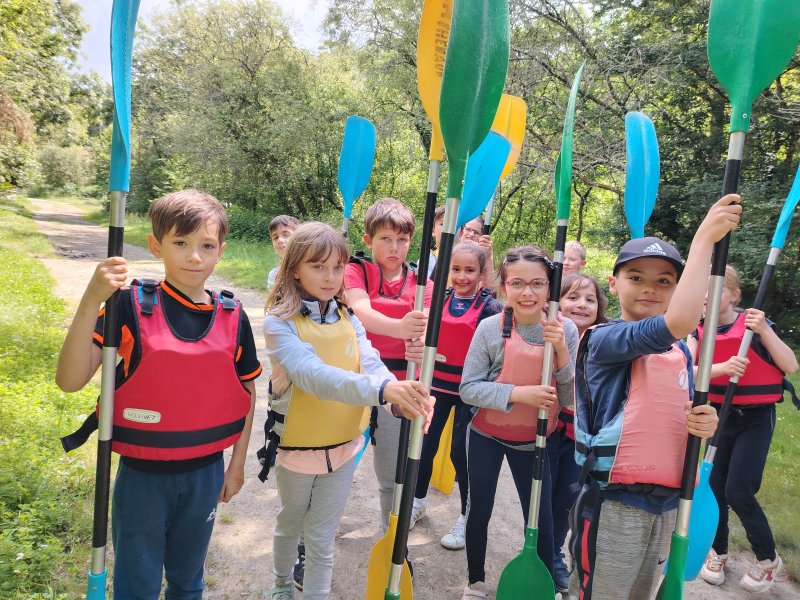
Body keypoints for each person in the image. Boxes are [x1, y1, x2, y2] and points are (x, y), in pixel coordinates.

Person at [56, 189, 261, 599]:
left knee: (188, 581)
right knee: (138, 583)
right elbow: (70, 379)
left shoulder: (234, 316)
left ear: (221, 251)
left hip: (205, 472)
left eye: (206, 246)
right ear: (156, 246)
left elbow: (247, 392)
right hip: (142, 477)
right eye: (180, 243)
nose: (194, 257)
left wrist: (237, 464)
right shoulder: (127, 306)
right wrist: (92, 298)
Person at [569, 194, 742, 600]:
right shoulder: (604, 339)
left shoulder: (681, 351)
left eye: (665, 281)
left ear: (678, 287)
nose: (650, 288)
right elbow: (679, 320)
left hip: (667, 504)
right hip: (614, 504)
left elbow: (674, 413)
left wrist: (703, 422)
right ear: (614, 283)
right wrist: (704, 241)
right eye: (636, 277)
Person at [261, 222, 432, 600]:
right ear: (295, 269)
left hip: (342, 449)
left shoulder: (347, 316)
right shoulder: (278, 323)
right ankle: (281, 582)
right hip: (297, 451)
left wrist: (400, 396)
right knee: (291, 526)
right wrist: (385, 390)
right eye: (318, 267)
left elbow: (369, 362)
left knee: (321, 539)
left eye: (337, 267)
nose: (330, 277)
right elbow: (314, 376)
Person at [459, 246, 579, 600]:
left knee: (539, 519)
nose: (528, 293)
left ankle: (543, 584)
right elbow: (468, 389)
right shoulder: (489, 328)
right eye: (517, 283)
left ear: (550, 288)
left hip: (535, 441)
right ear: (504, 287)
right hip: (485, 434)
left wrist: (561, 352)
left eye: (538, 284)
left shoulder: (566, 329)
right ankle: (475, 581)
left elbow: (570, 398)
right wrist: (520, 394)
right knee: (479, 509)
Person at [694, 265, 798, 593]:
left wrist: (764, 330)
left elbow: (791, 365)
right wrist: (722, 367)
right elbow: (690, 371)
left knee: (738, 490)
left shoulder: (755, 324)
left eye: (717, 288)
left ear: (735, 295)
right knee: (713, 486)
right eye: (703, 289)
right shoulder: (697, 329)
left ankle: (768, 559)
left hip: (755, 418)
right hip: (719, 416)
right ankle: (719, 551)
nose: (707, 295)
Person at [409, 241, 503, 549]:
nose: (462, 276)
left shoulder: (490, 306)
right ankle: (417, 502)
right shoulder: (440, 297)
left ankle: (466, 517)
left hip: (469, 390)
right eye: (456, 269)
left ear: (481, 272)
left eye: (470, 270)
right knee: (424, 445)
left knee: (460, 455)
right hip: (436, 385)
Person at [345, 197, 430, 531]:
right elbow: (360, 312)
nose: (395, 247)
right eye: (385, 238)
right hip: (355, 377)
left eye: (402, 239)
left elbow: (429, 332)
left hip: (399, 385)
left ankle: (391, 538)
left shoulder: (423, 283)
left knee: (392, 474)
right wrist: (400, 328)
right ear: (368, 239)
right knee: (336, 465)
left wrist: (421, 344)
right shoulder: (355, 271)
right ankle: (311, 541)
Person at [547, 273, 608, 593]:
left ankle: (555, 554)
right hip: (547, 431)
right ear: (557, 302)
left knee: (565, 500)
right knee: (541, 496)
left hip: (579, 440)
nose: (582, 305)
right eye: (572, 297)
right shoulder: (546, 332)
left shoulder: (606, 342)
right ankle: (542, 550)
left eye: (590, 299)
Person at [267, 215, 300, 291]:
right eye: (275, 237)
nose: (280, 240)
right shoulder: (274, 275)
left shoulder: (311, 269)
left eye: (286, 235)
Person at [461, 216, 495, 287]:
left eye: (476, 232)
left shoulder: (482, 262)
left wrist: (488, 257)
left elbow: (489, 290)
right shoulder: (448, 252)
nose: (471, 234)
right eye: (468, 229)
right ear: (462, 230)